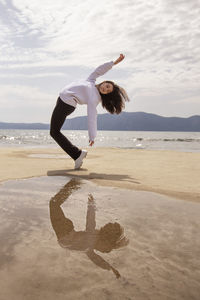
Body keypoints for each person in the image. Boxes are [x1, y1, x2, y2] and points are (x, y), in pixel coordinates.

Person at [50, 54, 129, 169]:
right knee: (54, 131)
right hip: (63, 100)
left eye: (107, 90)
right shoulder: (91, 81)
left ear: (107, 94)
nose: (105, 89)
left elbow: (92, 117)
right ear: (104, 82)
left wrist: (92, 136)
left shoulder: (94, 98)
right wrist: (114, 63)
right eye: (107, 86)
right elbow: (99, 70)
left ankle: (77, 154)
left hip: (67, 104)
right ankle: (77, 154)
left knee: (54, 132)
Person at [49, 178, 129, 278]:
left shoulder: (90, 242)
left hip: (65, 234)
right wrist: (110, 268)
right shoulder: (89, 249)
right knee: (54, 204)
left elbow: (91, 220)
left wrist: (91, 204)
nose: (99, 251)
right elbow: (98, 260)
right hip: (65, 235)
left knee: (54, 204)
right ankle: (74, 184)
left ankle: (74, 184)